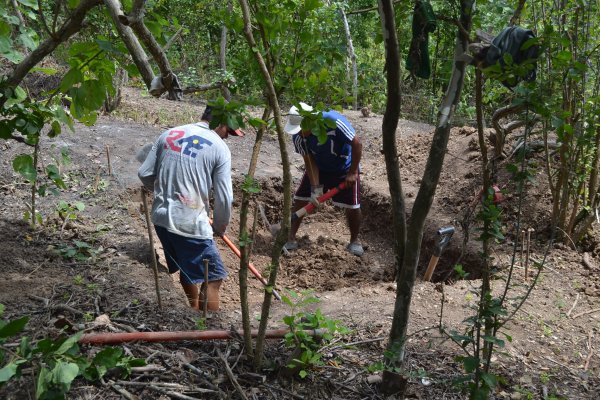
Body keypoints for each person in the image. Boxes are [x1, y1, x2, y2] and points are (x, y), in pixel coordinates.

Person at [138, 105, 243, 311]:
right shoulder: (220, 148)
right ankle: (210, 329)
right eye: (227, 131)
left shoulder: (169, 134)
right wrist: (220, 227)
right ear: (220, 123)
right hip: (190, 224)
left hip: (160, 218)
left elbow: (145, 173)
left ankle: (193, 313)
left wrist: (166, 191)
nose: (227, 137)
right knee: (213, 277)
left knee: (186, 270)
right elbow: (223, 197)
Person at [283, 102, 364, 256]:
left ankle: (355, 240)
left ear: (310, 121)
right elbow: (309, 160)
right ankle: (291, 237)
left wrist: (353, 172)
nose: (299, 133)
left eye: (301, 129)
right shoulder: (299, 139)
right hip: (319, 167)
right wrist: (315, 188)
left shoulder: (333, 121)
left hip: (344, 167)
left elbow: (357, 143)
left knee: (353, 206)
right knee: (300, 197)